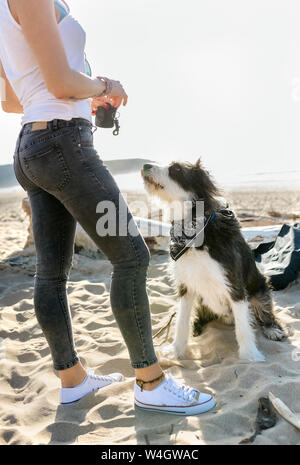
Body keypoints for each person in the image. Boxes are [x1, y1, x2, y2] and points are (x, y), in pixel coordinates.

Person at [0, 0, 215, 415]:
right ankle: (150, 383)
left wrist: (83, 96)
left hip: (33, 144)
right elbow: (61, 83)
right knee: (132, 255)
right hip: (63, 144)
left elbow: (11, 100)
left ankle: (73, 380)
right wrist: (104, 86)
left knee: (52, 272)